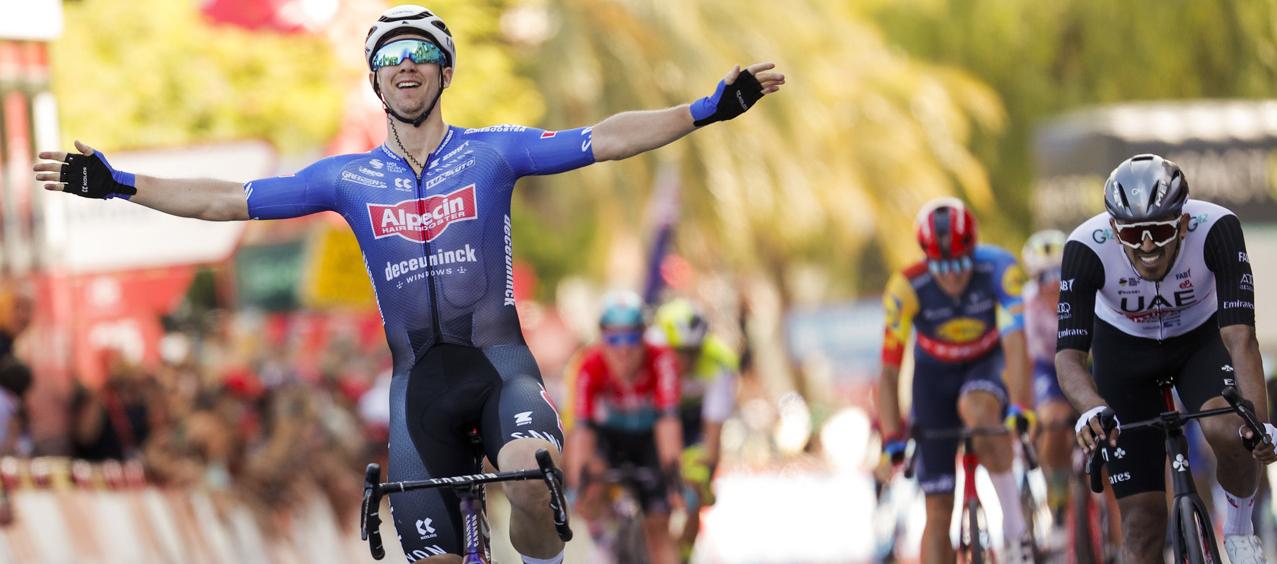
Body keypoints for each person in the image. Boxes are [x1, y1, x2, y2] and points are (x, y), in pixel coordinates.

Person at [32, 5, 783, 562]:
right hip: (417, 388)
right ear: (376, 77)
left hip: (498, 371)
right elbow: (227, 199)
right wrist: (120, 183)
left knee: (530, 479)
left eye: (422, 52)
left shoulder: (494, 151)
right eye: (392, 56)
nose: (407, 65)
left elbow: (605, 139)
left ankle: (540, 550)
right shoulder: (346, 178)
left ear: (445, 69)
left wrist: (706, 109)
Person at [1061, 154, 1276, 564]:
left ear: (1182, 222)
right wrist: (1090, 409)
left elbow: (1240, 337)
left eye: (1159, 230)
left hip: (1199, 342)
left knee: (1231, 431)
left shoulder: (1218, 228)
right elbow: (1069, 357)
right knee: (1141, 526)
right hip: (1123, 353)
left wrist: (1260, 427)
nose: (1147, 245)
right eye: (1132, 233)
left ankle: (1240, 531)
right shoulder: (1085, 247)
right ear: (1113, 228)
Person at [876, 197, 1034, 563]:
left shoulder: (998, 268)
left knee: (977, 409)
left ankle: (1014, 530)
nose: (951, 276)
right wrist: (890, 437)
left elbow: (1015, 343)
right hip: (933, 377)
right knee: (937, 511)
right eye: (940, 267)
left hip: (985, 362)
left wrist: (1020, 406)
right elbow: (887, 371)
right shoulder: (906, 287)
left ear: (974, 252)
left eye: (961, 264)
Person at [566, 292, 682, 564]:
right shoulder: (589, 364)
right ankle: (602, 540)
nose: (623, 349)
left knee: (658, 526)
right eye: (614, 339)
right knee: (590, 481)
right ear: (602, 340)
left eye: (631, 338)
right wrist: (577, 484)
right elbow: (583, 431)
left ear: (643, 337)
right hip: (608, 437)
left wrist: (673, 475)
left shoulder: (661, 359)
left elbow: (668, 422)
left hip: (648, 438)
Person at [648, 298, 738, 551]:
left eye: (693, 351)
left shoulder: (719, 361)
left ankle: (684, 549)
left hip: (694, 423)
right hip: (656, 420)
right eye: (678, 351)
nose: (686, 361)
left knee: (694, 484)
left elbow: (713, 432)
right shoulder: (647, 352)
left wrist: (706, 473)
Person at [1020, 230, 1074, 520]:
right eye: (1043, 276)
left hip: (1082, 360)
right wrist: (1027, 410)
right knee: (1052, 421)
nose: (1053, 283)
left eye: (1059, 273)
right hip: (1047, 367)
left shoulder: (1082, 290)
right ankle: (1057, 483)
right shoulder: (1028, 302)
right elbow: (1026, 361)